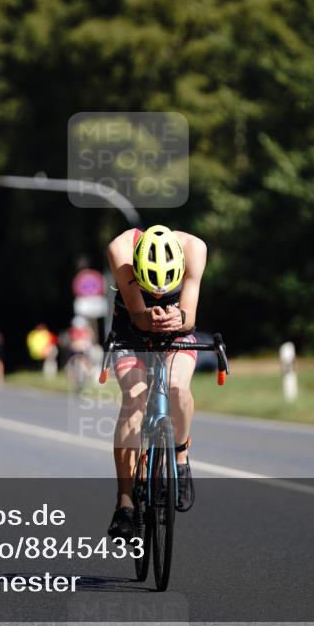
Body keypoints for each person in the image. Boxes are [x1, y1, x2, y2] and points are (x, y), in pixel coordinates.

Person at [104, 225, 207, 540]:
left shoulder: (194, 248)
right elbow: (137, 315)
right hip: (130, 332)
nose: (160, 294)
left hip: (176, 334)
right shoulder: (119, 250)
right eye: (153, 287)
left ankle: (181, 457)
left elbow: (189, 315)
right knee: (134, 398)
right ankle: (124, 502)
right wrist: (148, 318)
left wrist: (178, 320)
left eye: (167, 288)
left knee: (178, 388)